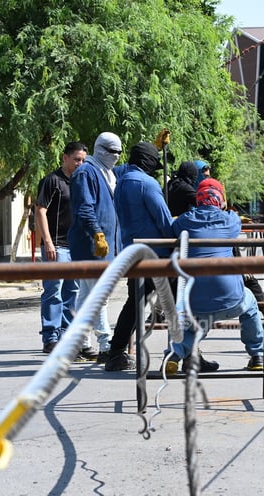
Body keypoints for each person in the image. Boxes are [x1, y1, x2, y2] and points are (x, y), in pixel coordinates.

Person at [167, 179, 264, 373]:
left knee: (194, 322)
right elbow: (233, 221)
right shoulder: (231, 220)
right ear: (220, 199)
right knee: (251, 305)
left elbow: (173, 227)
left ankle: (174, 354)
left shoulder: (184, 221)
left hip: (193, 298)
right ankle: (257, 355)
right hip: (230, 297)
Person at [104, 142, 175, 372]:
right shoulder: (147, 183)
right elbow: (164, 220)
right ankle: (185, 354)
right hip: (156, 254)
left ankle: (116, 352)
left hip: (132, 251)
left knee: (135, 303)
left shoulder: (122, 182)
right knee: (179, 301)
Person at [68, 132, 123, 362]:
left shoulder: (106, 173)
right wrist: (97, 233)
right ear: (100, 150)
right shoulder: (86, 172)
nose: (116, 157)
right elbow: (84, 208)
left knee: (87, 294)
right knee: (99, 294)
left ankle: (80, 343)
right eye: (112, 152)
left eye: (119, 153)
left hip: (104, 246)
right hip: (92, 245)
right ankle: (105, 343)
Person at [35, 141, 87, 353]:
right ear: (64, 157)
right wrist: (48, 241)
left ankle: (66, 334)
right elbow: (40, 211)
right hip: (56, 246)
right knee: (53, 291)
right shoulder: (52, 181)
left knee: (71, 291)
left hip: (75, 246)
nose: (79, 163)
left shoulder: (80, 181)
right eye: (76, 159)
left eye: (83, 160)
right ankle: (51, 336)